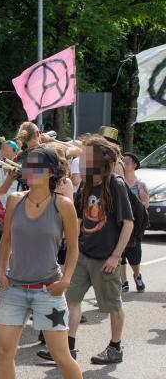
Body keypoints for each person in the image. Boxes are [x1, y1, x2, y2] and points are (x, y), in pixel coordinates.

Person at [0, 146, 86, 379]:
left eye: (36, 166)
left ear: (51, 172)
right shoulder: (15, 199)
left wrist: (66, 280)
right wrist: (1, 271)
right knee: (3, 351)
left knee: (61, 356)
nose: (28, 170)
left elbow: (74, 248)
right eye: (27, 165)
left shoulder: (63, 205)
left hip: (47, 291)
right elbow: (6, 240)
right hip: (15, 288)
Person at [40, 135, 133, 364]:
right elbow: (79, 220)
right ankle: (67, 348)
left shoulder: (115, 184)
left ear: (100, 159)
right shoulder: (87, 184)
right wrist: (71, 245)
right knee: (71, 300)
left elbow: (128, 224)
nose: (81, 160)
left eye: (86, 156)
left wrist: (115, 256)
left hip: (106, 258)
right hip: (84, 254)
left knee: (112, 305)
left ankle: (115, 348)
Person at [120, 152, 148, 293]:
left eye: (127, 162)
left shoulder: (139, 184)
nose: (124, 164)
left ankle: (137, 275)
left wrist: (136, 204)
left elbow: (145, 204)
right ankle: (123, 281)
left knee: (134, 254)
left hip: (133, 225)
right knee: (119, 253)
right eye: (122, 162)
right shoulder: (118, 182)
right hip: (119, 223)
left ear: (135, 165)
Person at [0, 140, 20, 207]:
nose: (4, 154)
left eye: (7, 153)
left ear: (15, 153)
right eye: (2, 151)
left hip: (14, 207)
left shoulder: (18, 170)